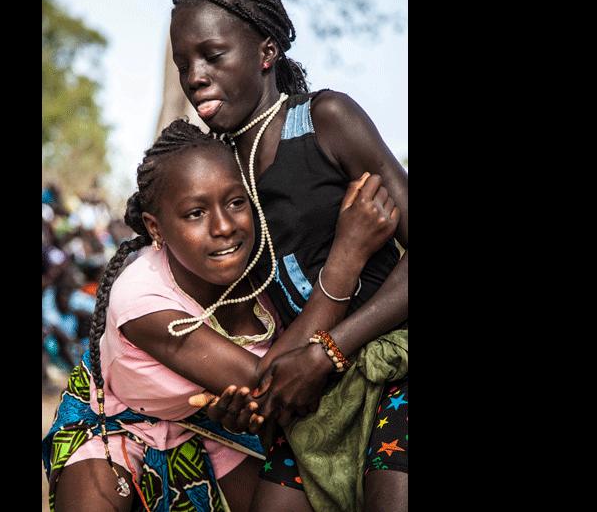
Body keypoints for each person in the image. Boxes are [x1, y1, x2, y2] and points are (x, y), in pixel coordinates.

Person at [42, 120, 396, 512]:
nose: (224, 227)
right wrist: (345, 261)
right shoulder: (140, 295)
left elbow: (273, 390)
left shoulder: (262, 271)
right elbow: (269, 384)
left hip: (217, 426)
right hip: (117, 416)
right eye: (195, 213)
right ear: (155, 227)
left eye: (235, 202)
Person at [168, 0, 408, 511]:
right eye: (185, 65)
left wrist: (329, 352)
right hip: (311, 394)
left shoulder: (326, 121)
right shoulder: (217, 176)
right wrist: (250, 401)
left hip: (394, 362)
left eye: (212, 55)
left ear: (266, 52)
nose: (196, 77)